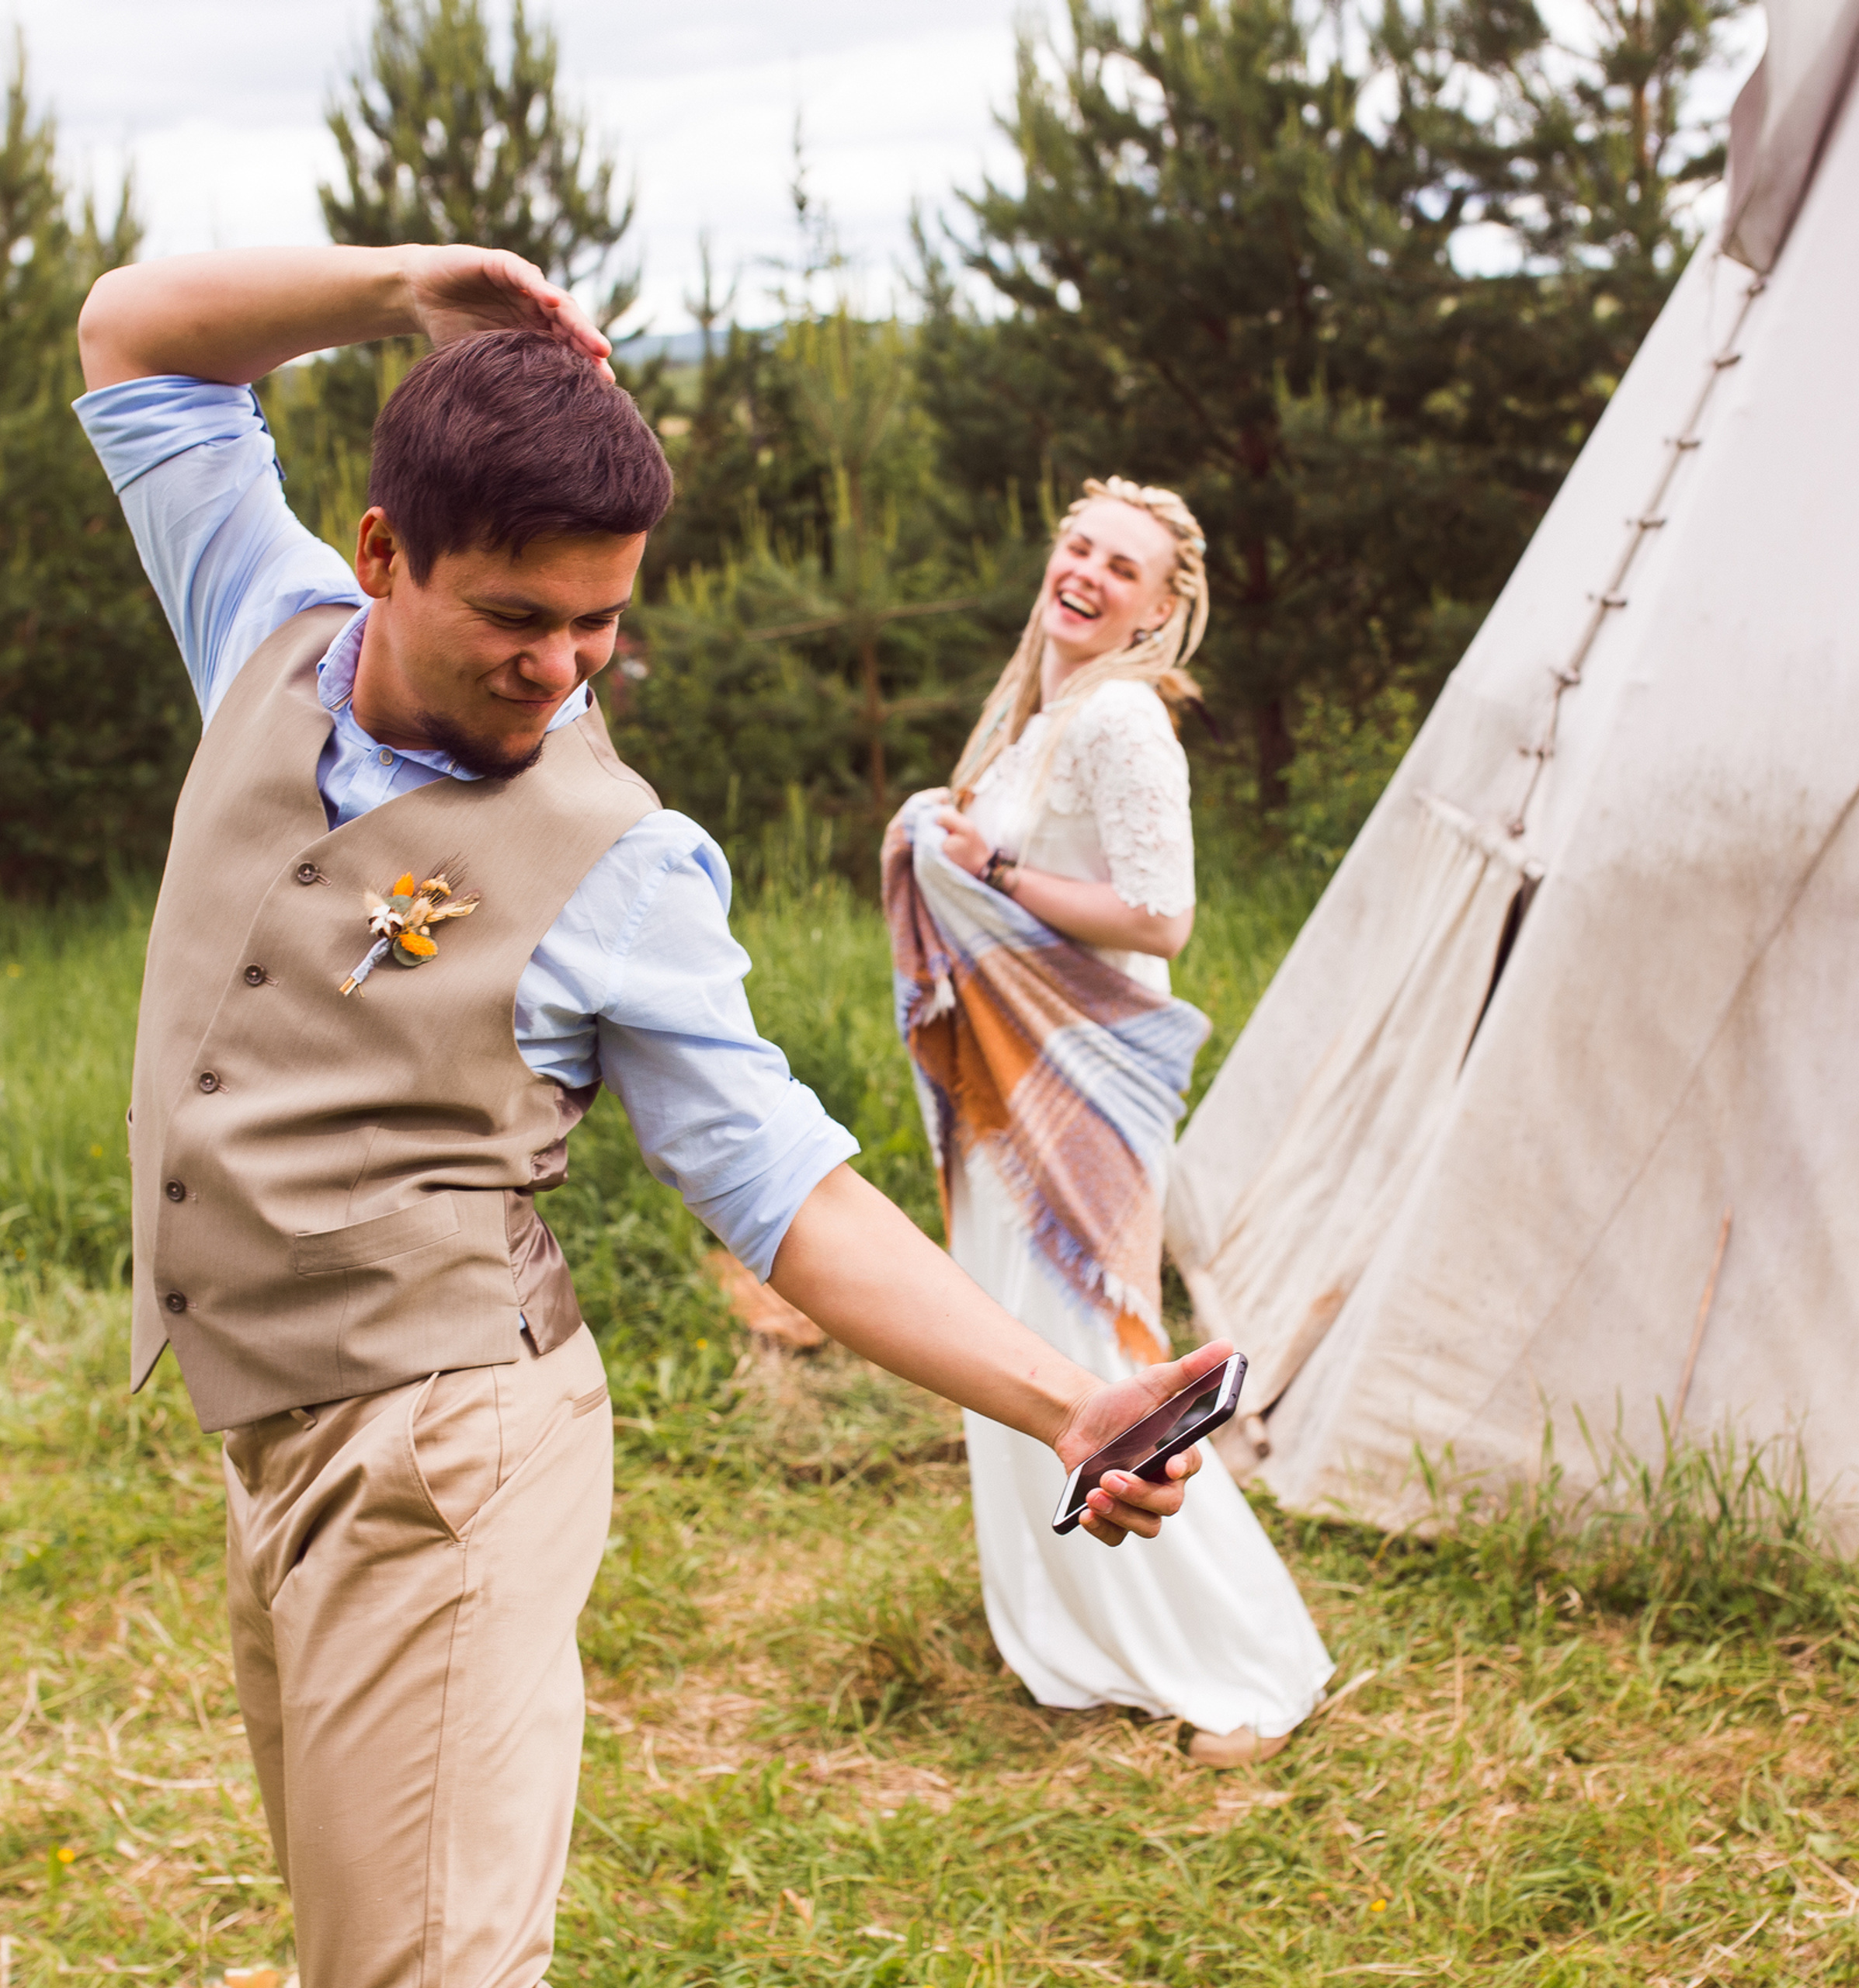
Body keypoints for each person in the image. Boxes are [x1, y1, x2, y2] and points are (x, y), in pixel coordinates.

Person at [74, 247, 1232, 1988]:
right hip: (273, 1441)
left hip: (448, 1455)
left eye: (600, 620)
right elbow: (134, 333)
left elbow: (779, 1183)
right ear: (382, 554)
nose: (565, 672)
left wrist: (1067, 1396)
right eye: (517, 618)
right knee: (352, 1953)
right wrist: (406, 287)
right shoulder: (264, 616)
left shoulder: (620, 859)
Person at [883, 479, 1333, 1767]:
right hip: (1018, 1090)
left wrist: (990, 870)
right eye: (1078, 546)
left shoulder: (1125, 718)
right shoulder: (1047, 716)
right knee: (1025, 1351)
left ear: (1158, 608)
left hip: (1081, 1092)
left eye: (1120, 566)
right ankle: (1087, 1629)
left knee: (1098, 1366)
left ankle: (1245, 1666)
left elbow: (1162, 916)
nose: (1085, 572)